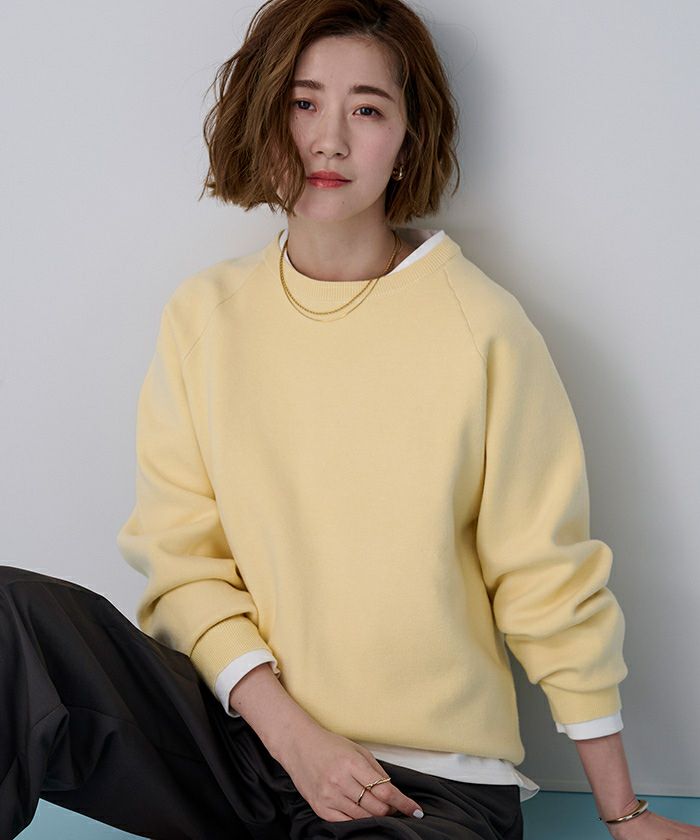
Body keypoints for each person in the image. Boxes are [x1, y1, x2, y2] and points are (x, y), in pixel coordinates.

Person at [2, 1, 699, 839]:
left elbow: (546, 578)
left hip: (426, 789)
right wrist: (294, 738)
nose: (328, 140)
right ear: (262, 115)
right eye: (303, 103)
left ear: (408, 137)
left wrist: (624, 812)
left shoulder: (480, 328)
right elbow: (182, 562)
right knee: (10, 620)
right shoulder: (205, 316)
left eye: (367, 109)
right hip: (247, 742)